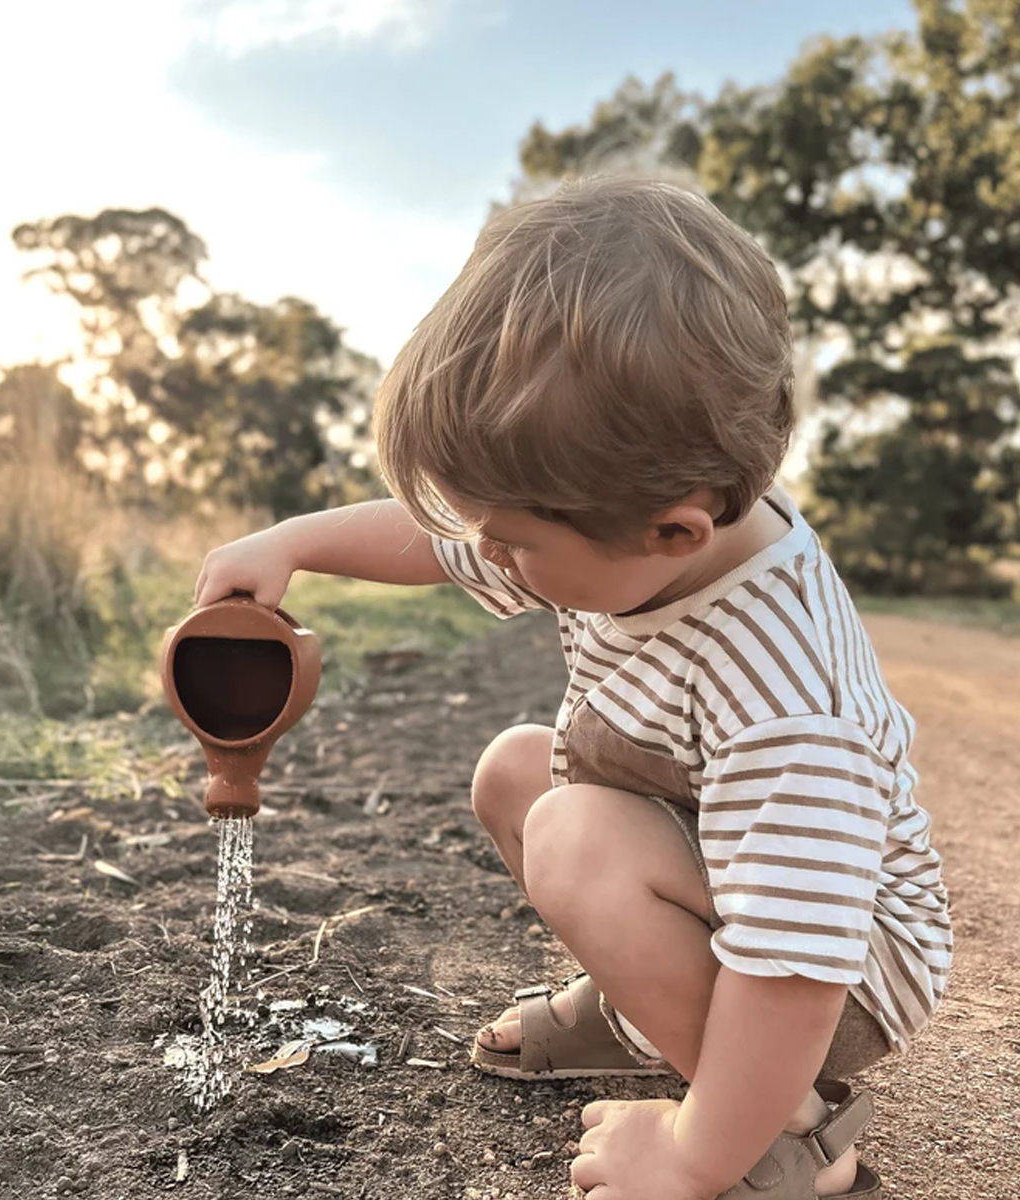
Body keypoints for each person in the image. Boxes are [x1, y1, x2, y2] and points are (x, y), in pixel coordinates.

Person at [193, 175, 951, 1200]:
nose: (487, 557)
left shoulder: (784, 697)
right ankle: (642, 1014)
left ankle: (792, 1142)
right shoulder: (630, 519)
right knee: (519, 773)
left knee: (575, 835)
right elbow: (441, 537)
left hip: (842, 962)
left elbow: (795, 968)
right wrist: (293, 544)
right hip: (730, 878)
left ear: (674, 531)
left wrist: (691, 1159)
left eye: (511, 541)